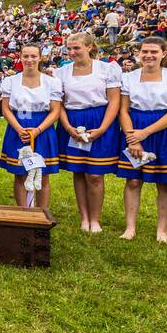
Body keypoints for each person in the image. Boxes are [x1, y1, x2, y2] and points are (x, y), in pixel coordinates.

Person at [116, 37, 167, 242]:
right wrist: (132, 138)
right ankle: (130, 227)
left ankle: (162, 230)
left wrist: (145, 133)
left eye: (154, 51)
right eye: (144, 51)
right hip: (135, 125)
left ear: (164, 53)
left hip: (164, 128)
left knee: (164, 182)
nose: (148, 55)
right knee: (133, 180)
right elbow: (124, 110)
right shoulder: (129, 77)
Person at [56, 32, 122, 233]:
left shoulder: (107, 69)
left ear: (90, 47)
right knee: (78, 171)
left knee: (95, 174)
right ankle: (84, 217)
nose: (72, 52)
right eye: (69, 48)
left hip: (100, 119)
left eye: (77, 48)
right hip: (72, 121)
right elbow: (58, 104)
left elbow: (114, 100)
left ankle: (95, 219)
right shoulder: (61, 73)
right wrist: (67, 127)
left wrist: (103, 127)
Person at [0, 45, 63, 210]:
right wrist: (19, 129)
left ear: (40, 57)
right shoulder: (10, 81)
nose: (29, 60)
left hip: (42, 127)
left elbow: (55, 110)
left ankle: (42, 212)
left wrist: (38, 130)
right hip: (17, 126)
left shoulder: (52, 82)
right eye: (25, 56)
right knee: (20, 173)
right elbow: (6, 109)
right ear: (20, 57)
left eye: (33, 56)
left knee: (43, 174)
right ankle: (24, 212)